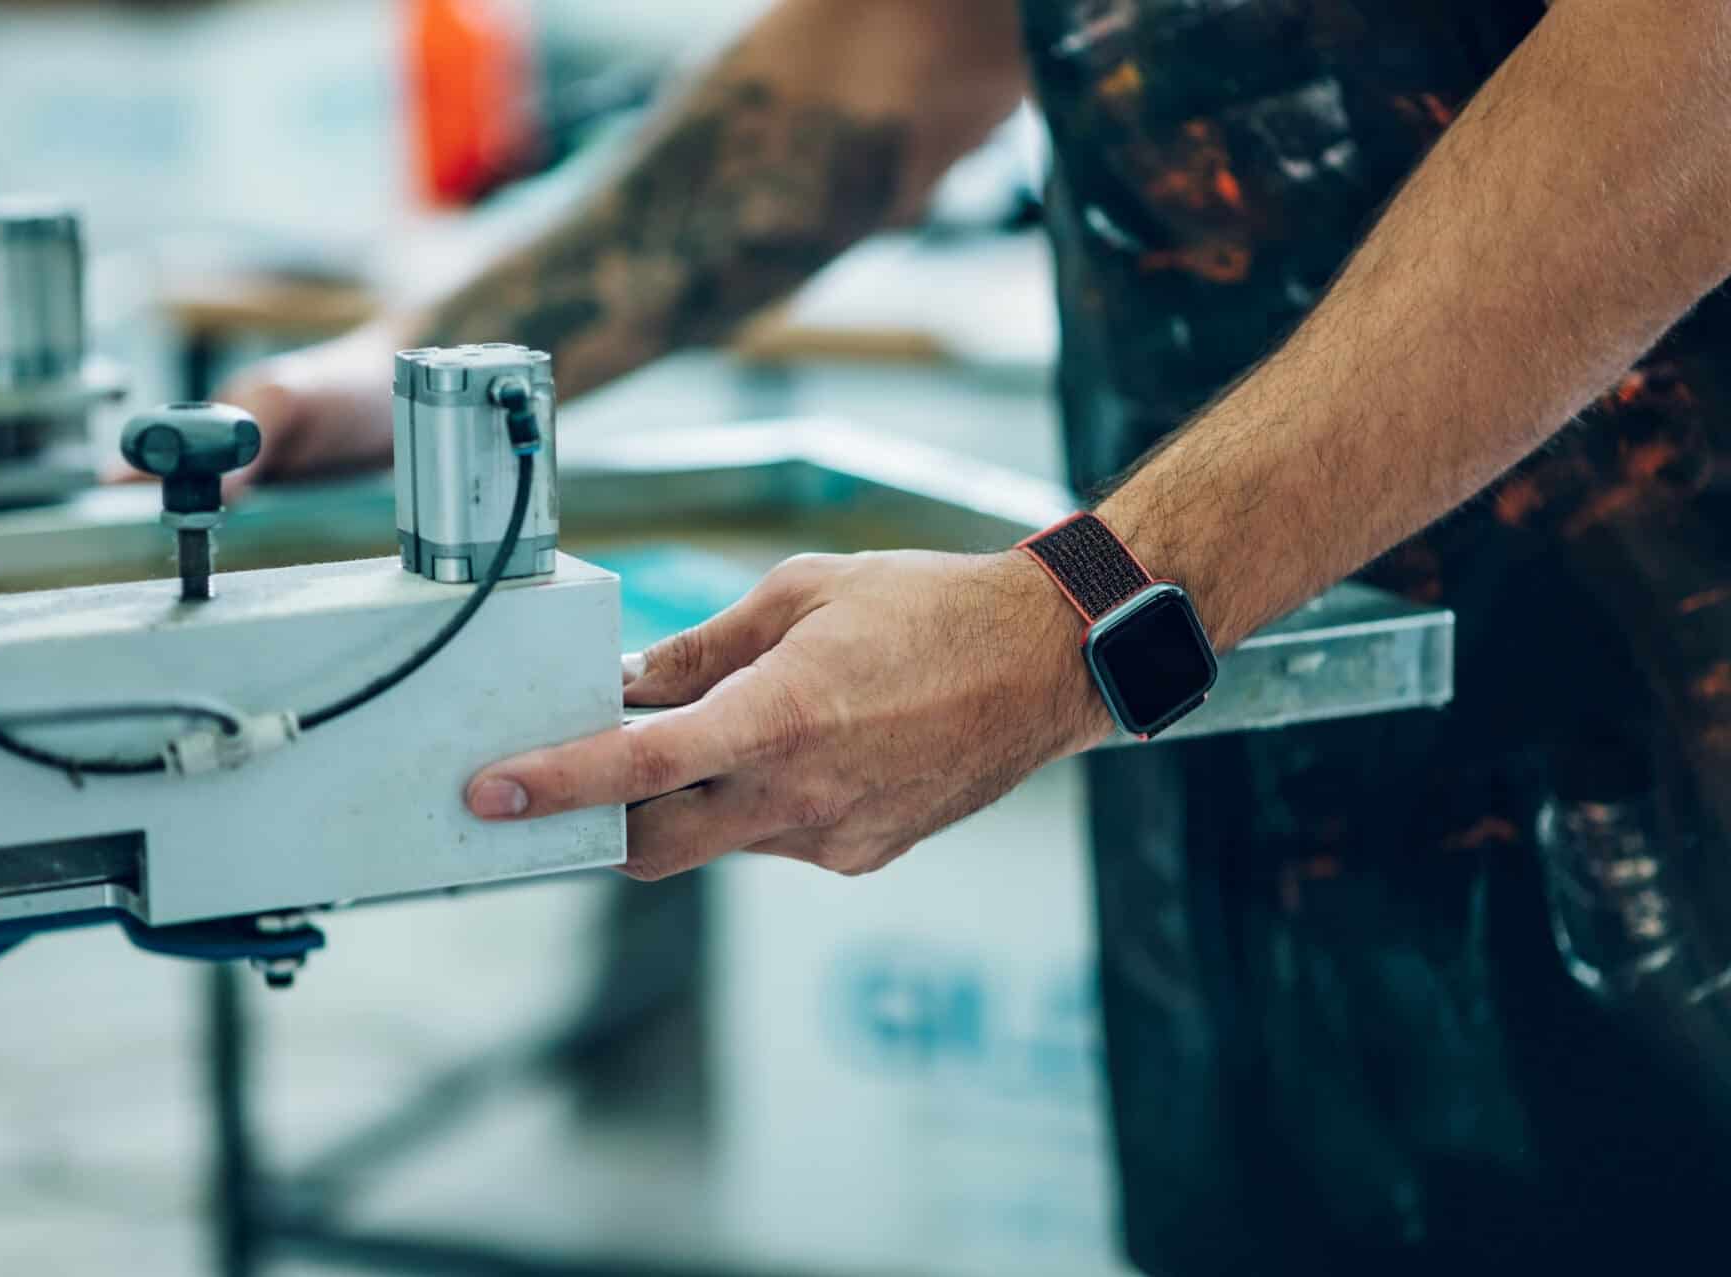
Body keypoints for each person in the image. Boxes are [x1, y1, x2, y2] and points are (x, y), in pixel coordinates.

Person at [223, 1, 1731, 1269]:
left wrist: (1071, 611)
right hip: (1238, 757)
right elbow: (896, 44)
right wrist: (413, 374)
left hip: (1668, 729)